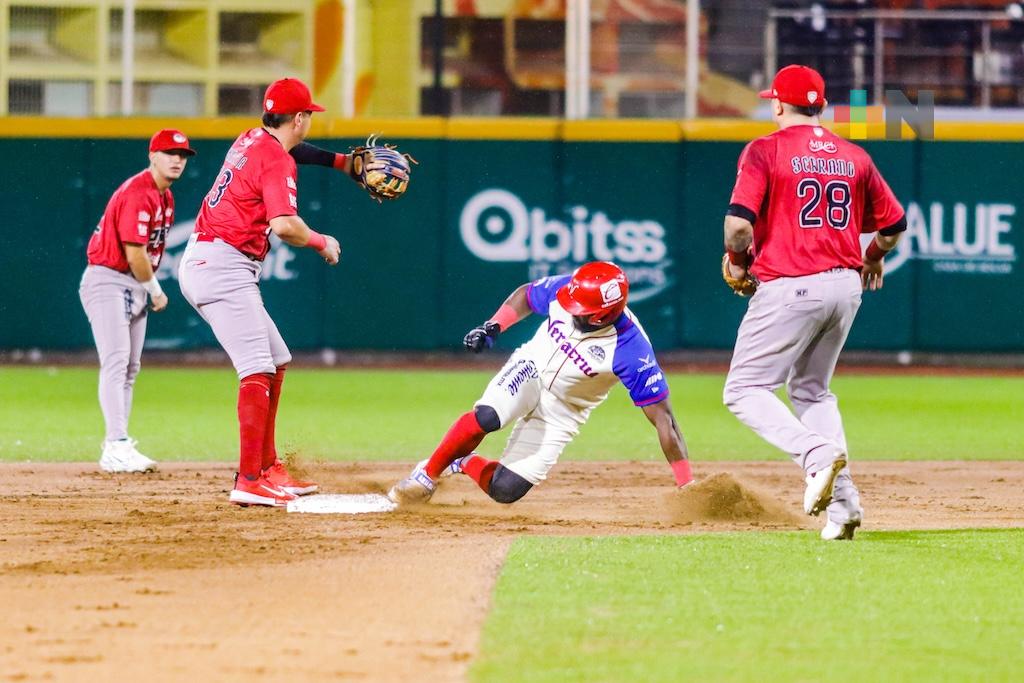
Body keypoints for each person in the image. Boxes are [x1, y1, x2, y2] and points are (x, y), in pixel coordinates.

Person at [721, 64, 906, 540]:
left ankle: (815, 457)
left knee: (744, 390)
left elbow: (739, 227)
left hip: (791, 284)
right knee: (811, 391)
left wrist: (738, 262)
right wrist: (872, 259)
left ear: (778, 103)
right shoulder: (853, 155)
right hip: (846, 286)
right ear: (819, 105)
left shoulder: (765, 149)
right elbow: (893, 226)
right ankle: (844, 508)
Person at [387, 261, 693, 506]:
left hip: (565, 409)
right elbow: (526, 295)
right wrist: (493, 326)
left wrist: (686, 484)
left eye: (581, 312)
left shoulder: (631, 350)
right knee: (488, 417)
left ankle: (463, 461)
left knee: (505, 490)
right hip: (531, 367)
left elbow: (665, 421)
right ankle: (425, 477)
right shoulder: (572, 290)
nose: (570, 308)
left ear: (603, 316)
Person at [178, 77, 349, 507]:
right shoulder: (276, 160)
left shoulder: (253, 137)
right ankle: (249, 478)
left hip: (213, 260)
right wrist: (322, 242)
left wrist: (342, 163)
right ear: (299, 118)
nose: (309, 120)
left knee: (276, 360)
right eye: (307, 114)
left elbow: (293, 150)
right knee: (255, 367)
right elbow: (284, 225)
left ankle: (268, 466)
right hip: (222, 267)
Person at [80, 129, 196, 473]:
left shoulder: (165, 197)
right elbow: (135, 254)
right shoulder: (138, 193)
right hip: (108, 280)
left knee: (131, 367)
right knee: (116, 362)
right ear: (152, 156)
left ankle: (119, 442)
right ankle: (115, 445)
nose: (177, 160)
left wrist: (147, 289)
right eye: (170, 153)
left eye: (183, 155)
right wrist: (156, 291)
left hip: (133, 284)